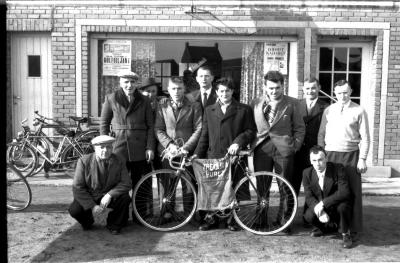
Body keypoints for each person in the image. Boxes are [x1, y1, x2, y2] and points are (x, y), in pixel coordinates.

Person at [194, 77, 257, 231]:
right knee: (215, 188)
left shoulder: (244, 109)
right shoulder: (209, 110)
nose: (224, 94)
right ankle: (213, 219)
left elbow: (250, 131)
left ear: (232, 91)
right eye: (221, 91)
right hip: (214, 156)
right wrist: (197, 153)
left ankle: (233, 219)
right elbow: (205, 134)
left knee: (234, 187)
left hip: (234, 156)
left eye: (227, 91)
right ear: (216, 92)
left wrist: (238, 142)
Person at [250, 70, 305, 234]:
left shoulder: (293, 103)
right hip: (262, 149)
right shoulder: (256, 103)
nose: (274, 91)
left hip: (283, 150)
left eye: (277, 88)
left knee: (284, 187)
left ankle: (284, 222)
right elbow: (251, 127)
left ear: (283, 86)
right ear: (265, 86)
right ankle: (260, 220)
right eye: (271, 88)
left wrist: (293, 147)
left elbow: (300, 129)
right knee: (262, 186)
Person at [100, 69, 155, 223]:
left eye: (132, 82)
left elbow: (150, 126)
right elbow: (104, 124)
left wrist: (150, 147)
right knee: (119, 183)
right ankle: (120, 218)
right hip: (119, 147)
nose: (129, 85)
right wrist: (105, 146)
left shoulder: (144, 100)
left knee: (141, 183)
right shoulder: (111, 99)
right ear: (120, 82)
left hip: (140, 147)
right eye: (126, 82)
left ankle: (141, 216)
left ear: (136, 83)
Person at [318, 79, 370, 241]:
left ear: (351, 92)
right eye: (339, 92)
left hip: (350, 156)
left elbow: (366, 138)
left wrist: (362, 159)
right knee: (330, 191)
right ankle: (328, 225)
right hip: (330, 155)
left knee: (351, 192)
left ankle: (351, 228)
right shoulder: (328, 110)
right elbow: (321, 134)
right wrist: (322, 155)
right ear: (334, 93)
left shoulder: (359, 110)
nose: (343, 95)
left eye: (346, 92)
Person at [154, 76, 203, 220]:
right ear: (168, 89)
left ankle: (191, 214)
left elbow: (199, 128)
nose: (176, 91)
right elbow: (158, 129)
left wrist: (186, 147)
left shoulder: (194, 105)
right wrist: (170, 145)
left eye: (179, 88)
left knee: (189, 184)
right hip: (167, 151)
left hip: (187, 151)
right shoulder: (162, 105)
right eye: (173, 88)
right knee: (166, 183)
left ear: (184, 89)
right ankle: (167, 213)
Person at [68, 135, 132, 235]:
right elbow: (78, 188)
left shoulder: (119, 160)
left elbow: (126, 183)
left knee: (125, 198)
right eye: (102, 147)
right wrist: (92, 206)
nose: (105, 150)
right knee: (74, 210)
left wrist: (109, 195)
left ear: (112, 148)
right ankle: (88, 221)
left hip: (109, 196)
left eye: (108, 147)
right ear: (95, 148)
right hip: (91, 195)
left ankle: (114, 224)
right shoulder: (84, 161)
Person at [303, 145, 353, 248]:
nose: (318, 164)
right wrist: (319, 210)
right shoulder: (306, 173)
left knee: (343, 208)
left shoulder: (338, 168)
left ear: (326, 158)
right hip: (321, 206)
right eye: (314, 160)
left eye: (320, 160)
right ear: (310, 161)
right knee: (308, 215)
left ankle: (345, 233)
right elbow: (308, 196)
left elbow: (344, 192)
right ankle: (324, 228)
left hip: (336, 204)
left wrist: (323, 204)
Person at [293, 77, 329, 197]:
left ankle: (314, 213)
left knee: (315, 185)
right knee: (293, 184)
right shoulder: (296, 105)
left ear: (319, 88)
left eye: (313, 88)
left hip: (315, 151)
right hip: (297, 151)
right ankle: (288, 213)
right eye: (307, 88)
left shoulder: (326, 107)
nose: (310, 91)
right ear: (303, 89)